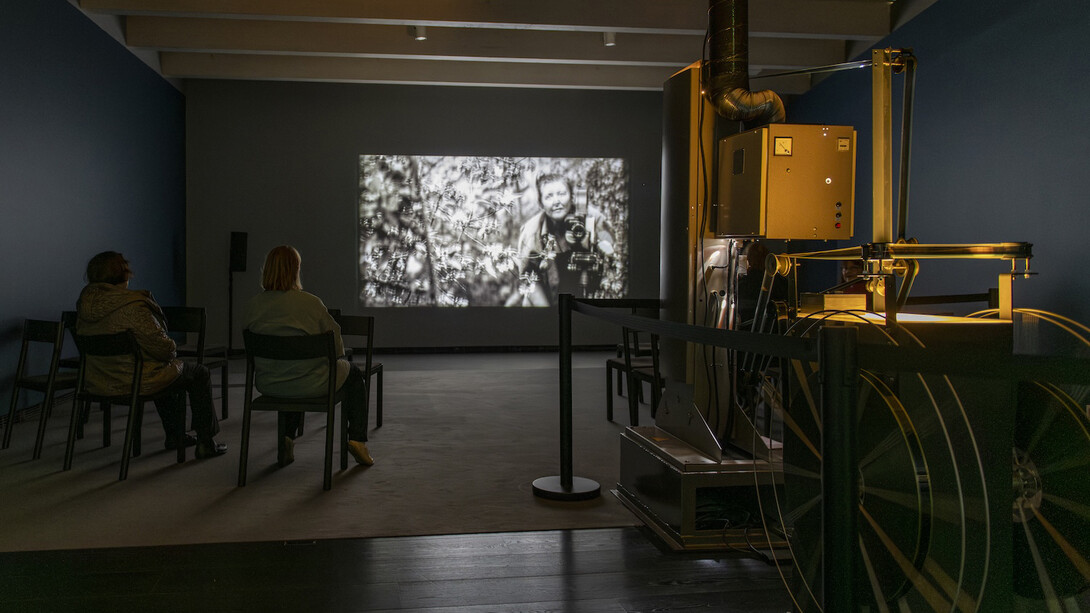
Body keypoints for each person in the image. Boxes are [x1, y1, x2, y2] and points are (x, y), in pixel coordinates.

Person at [75, 251, 227, 458]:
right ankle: (205, 442)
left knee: (161, 371)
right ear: (125, 275)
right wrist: (172, 346)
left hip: (98, 381)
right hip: (134, 381)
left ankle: (175, 434)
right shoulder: (132, 306)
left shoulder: (84, 305)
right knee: (197, 372)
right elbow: (164, 349)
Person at [242, 245, 375, 468]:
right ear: (295, 269)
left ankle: (287, 438)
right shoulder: (311, 304)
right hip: (310, 383)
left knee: (292, 376)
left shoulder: (252, 307)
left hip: (270, 384)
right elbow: (336, 348)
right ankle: (357, 439)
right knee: (353, 374)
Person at [512, 173, 616, 306]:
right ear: (541, 203)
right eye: (549, 196)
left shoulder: (592, 217)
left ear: (572, 197)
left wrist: (606, 247)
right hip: (549, 296)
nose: (556, 201)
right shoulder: (532, 232)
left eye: (561, 194)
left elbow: (612, 245)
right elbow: (528, 278)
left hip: (588, 290)